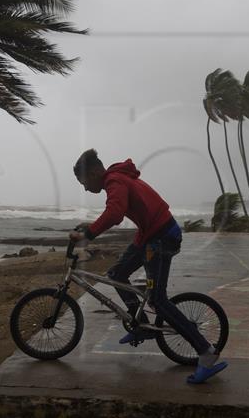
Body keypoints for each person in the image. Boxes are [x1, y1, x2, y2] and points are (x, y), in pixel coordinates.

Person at [68, 149, 227, 384]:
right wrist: (89, 228)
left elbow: (115, 214)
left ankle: (206, 352)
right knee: (117, 273)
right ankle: (139, 323)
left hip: (162, 238)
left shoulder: (114, 181)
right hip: (149, 236)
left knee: (158, 300)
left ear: (92, 173)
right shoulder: (118, 179)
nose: (84, 188)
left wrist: (89, 234)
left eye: (83, 182)